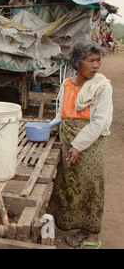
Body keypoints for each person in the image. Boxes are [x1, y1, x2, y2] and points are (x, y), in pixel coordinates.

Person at [47, 39, 113, 249]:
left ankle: (92, 235)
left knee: (90, 187)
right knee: (69, 185)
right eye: (91, 60)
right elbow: (63, 111)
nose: (96, 65)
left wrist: (78, 145)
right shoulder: (67, 84)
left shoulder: (102, 87)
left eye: (98, 60)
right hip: (69, 144)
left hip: (89, 146)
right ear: (77, 62)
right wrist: (51, 126)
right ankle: (74, 227)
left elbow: (100, 121)